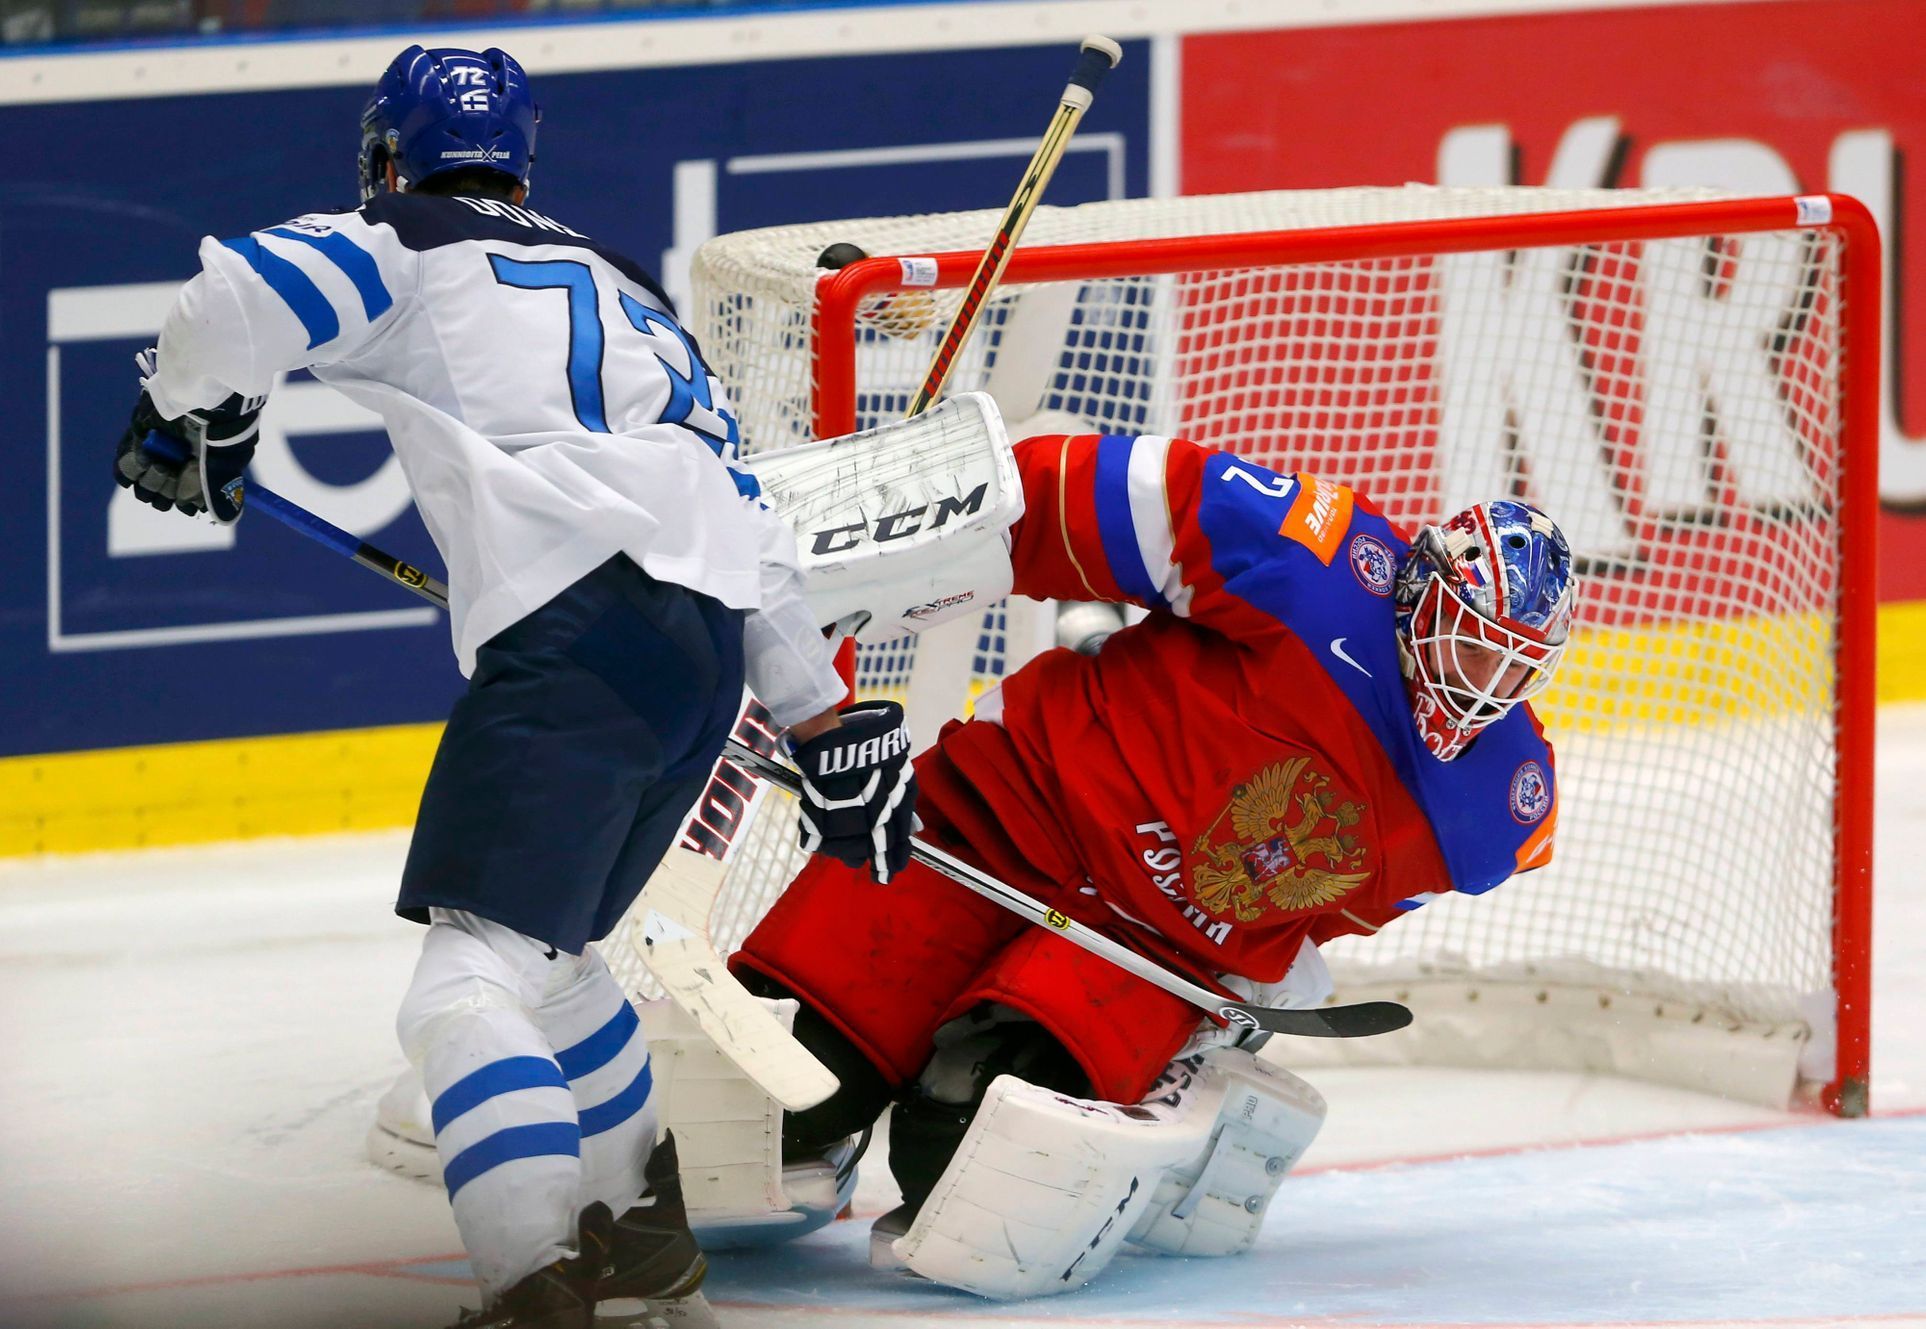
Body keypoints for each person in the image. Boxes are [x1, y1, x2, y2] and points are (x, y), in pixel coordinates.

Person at [111, 45, 916, 1329]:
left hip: (577, 639)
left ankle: (536, 1277)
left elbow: (233, 295)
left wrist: (180, 414)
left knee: (464, 986)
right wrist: (816, 709)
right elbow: (744, 512)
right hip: (703, 656)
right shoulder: (629, 285)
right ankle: (641, 1231)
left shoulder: (403, 235)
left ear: (388, 150)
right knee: (551, 963)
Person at [729, 430, 1577, 1298]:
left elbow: (1351, 899)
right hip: (1006, 814)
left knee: (963, 1139)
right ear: (1421, 592)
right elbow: (1068, 494)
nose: (1484, 685)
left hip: (1149, 947)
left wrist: (1266, 967)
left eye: (1515, 667)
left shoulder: (1499, 802)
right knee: (765, 1088)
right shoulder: (1310, 556)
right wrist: (881, 553)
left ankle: (1142, 1111)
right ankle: (821, 1128)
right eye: (1474, 644)